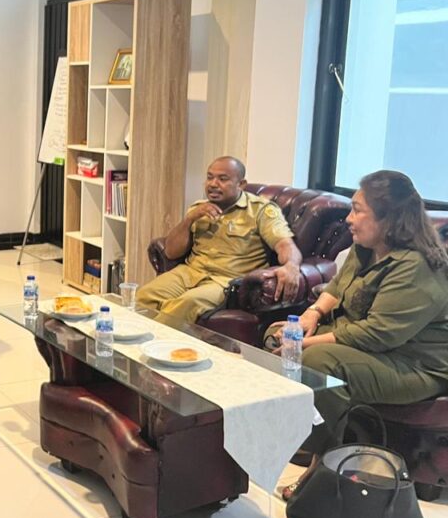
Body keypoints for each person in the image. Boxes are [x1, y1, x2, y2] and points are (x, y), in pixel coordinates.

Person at [289, 170, 448, 457]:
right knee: (278, 336)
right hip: (368, 346)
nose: (349, 219)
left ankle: (327, 458)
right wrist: (311, 314)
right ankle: (293, 433)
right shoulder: (365, 247)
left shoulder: (416, 265)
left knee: (316, 361)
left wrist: (303, 343)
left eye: (357, 210)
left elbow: (377, 334)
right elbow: (337, 287)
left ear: (388, 219)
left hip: (414, 364)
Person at [136, 156, 303, 324]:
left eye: (222, 179)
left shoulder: (260, 211)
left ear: (241, 184)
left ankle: (151, 338)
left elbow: (284, 244)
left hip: (225, 281)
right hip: (189, 273)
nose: (213, 184)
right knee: (144, 296)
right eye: (210, 177)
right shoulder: (198, 208)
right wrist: (189, 219)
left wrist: (291, 265)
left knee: (187, 303)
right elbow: (171, 252)